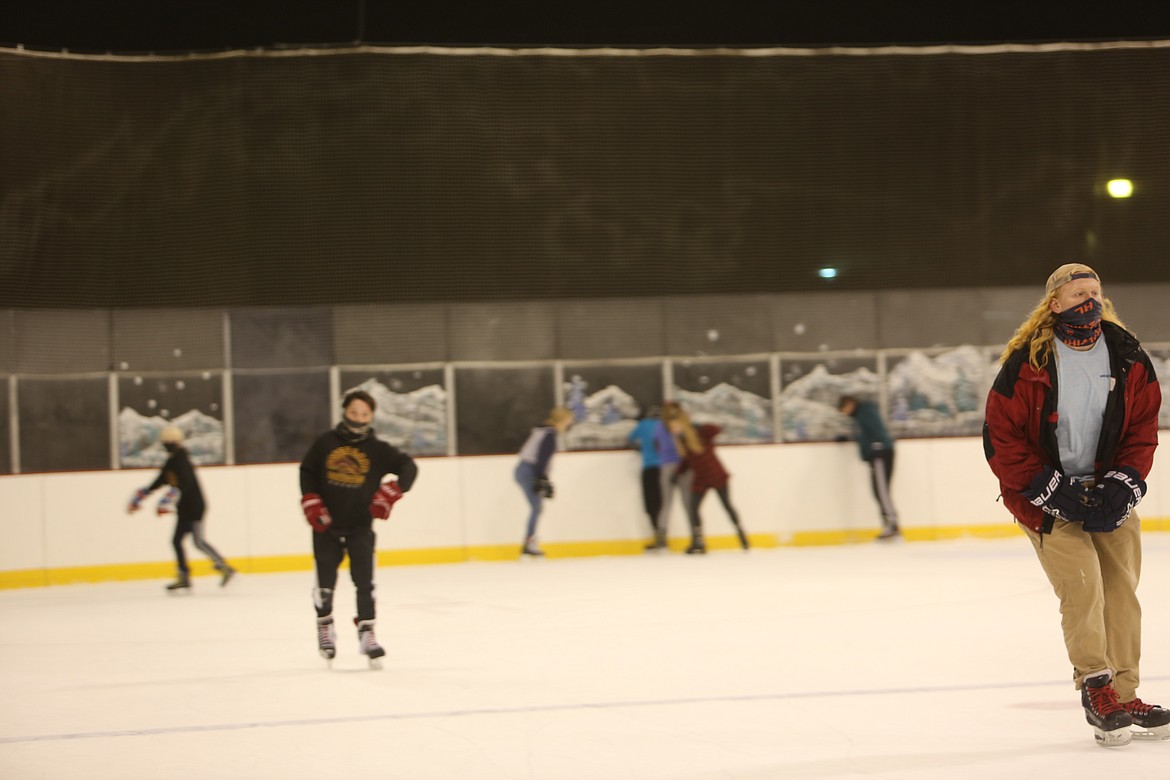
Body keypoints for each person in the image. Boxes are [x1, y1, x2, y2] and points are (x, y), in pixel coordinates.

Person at [983, 262, 1167, 747]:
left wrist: (1125, 482)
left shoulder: (1126, 355)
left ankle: (1126, 694)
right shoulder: (1027, 363)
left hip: (1107, 490)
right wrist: (1047, 488)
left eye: (1096, 292)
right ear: (1055, 304)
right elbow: (1001, 438)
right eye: (1079, 293)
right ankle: (1097, 687)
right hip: (1047, 498)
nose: (1090, 300)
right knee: (1084, 588)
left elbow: (1142, 427)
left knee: (1121, 591)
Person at [299, 389, 419, 667]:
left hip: (360, 527)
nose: (358, 419)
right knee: (325, 584)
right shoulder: (325, 443)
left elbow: (408, 467)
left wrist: (392, 492)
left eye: (364, 414)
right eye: (354, 413)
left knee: (364, 583)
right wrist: (311, 501)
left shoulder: (378, 450)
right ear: (344, 412)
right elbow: (307, 471)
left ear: (372, 416)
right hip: (326, 526)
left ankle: (367, 632)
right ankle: (325, 624)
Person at [127, 426, 237, 592]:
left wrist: (166, 501)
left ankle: (224, 567)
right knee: (177, 541)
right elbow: (161, 480)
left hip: (194, 507)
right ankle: (184, 575)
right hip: (184, 508)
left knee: (198, 541)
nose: (167, 446)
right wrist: (144, 495)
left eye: (169, 443)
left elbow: (185, 484)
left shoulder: (182, 460)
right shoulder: (172, 460)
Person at [667, 407, 749, 554]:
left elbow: (716, 429)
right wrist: (677, 473)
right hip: (701, 479)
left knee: (727, 506)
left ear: (683, 423)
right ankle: (699, 542)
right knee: (693, 509)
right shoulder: (682, 440)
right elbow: (688, 460)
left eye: (676, 425)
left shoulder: (700, 434)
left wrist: (700, 426)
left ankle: (741, 534)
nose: (674, 429)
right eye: (672, 427)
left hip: (716, 475)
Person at [837, 395, 900, 540]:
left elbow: (877, 430)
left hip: (880, 454)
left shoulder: (865, 412)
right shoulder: (860, 415)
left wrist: (876, 448)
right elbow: (866, 434)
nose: (845, 413)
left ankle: (892, 525)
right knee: (878, 491)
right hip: (878, 453)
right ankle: (889, 524)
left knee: (881, 491)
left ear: (850, 403)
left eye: (844, 409)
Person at [515, 406, 573, 557]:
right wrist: (541, 478)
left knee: (537, 506)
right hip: (529, 470)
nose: (569, 424)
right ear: (563, 420)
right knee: (536, 507)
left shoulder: (543, 431)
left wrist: (542, 478)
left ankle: (530, 540)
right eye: (568, 420)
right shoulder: (549, 434)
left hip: (524, 469)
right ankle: (529, 542)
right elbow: (542, 457)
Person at [627, 405, 664, 550]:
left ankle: (656, 533)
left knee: (651, 504)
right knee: (662, 503)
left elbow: (630, 439)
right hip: (664, 469)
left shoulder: (643, 425)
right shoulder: (664, 426)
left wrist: (641, 448)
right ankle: (662, 533)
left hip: (649, 467)